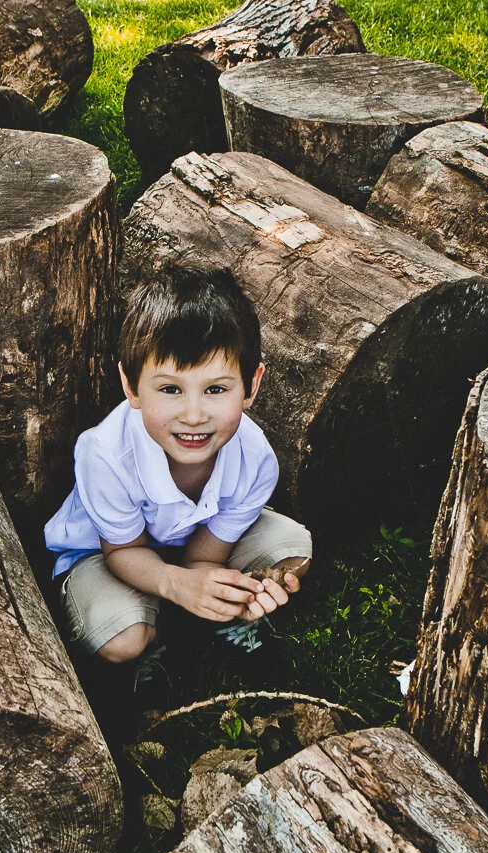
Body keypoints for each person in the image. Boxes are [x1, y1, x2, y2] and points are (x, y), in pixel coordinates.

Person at [44, 265, 312, 664]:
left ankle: (204, 613)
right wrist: (176, 583)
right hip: (107, 553)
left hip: (188, 543)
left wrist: (220, 585)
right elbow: (123, 550)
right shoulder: (104, 454)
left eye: (215, 389)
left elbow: (205, 556)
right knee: (122, 639)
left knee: (292, 550)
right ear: (131, 386)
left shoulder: (256, 459)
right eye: (170, 388)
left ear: (251, 385)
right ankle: (151, 629)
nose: (193, 415)